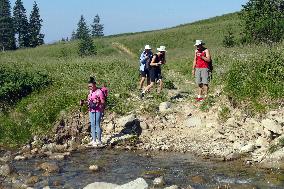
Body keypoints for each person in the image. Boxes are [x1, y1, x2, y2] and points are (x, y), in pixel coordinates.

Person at [80, 77, 106, 147]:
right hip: (91, 110)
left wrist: (98, 102)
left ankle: (99, 141)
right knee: (92, 124)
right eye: (88, 86)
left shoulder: (99, 92)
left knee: (97, 124)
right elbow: (89, 101)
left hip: (98, 110)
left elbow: (103, 102)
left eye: (91, 86)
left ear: (95, 85)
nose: (89, 87)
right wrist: (83, 102)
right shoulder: (90, 92)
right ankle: (94, 140)